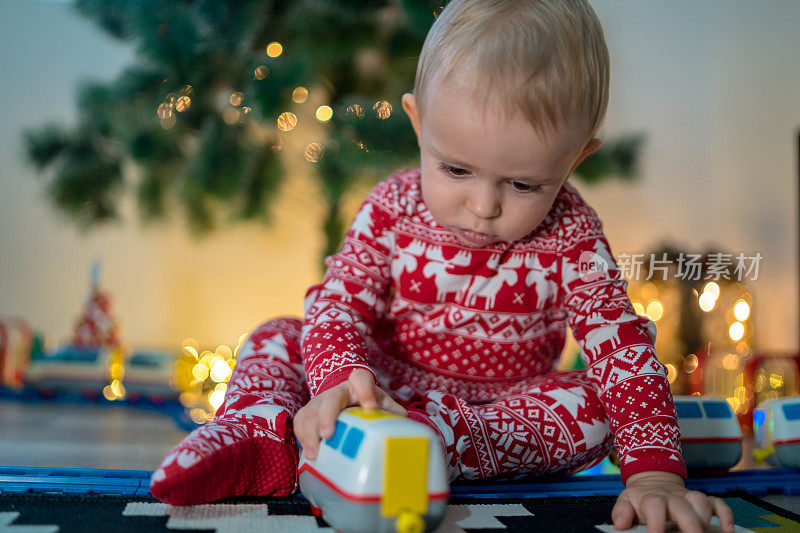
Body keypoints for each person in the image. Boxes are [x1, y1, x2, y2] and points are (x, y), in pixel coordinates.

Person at [151, 1, 735, 531]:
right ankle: (263, 433)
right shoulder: (392, 208)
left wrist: (654, 474)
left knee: (591, 410)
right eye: (456, 170)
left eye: (525, 183)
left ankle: (425, 449)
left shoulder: (573, 235)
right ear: (418, 123)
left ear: (577, 155)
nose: (484, 207)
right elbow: (339, 302)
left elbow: (619, 345)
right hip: (371, 386)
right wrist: (338, 382)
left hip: (489, 415)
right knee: (279, 336)